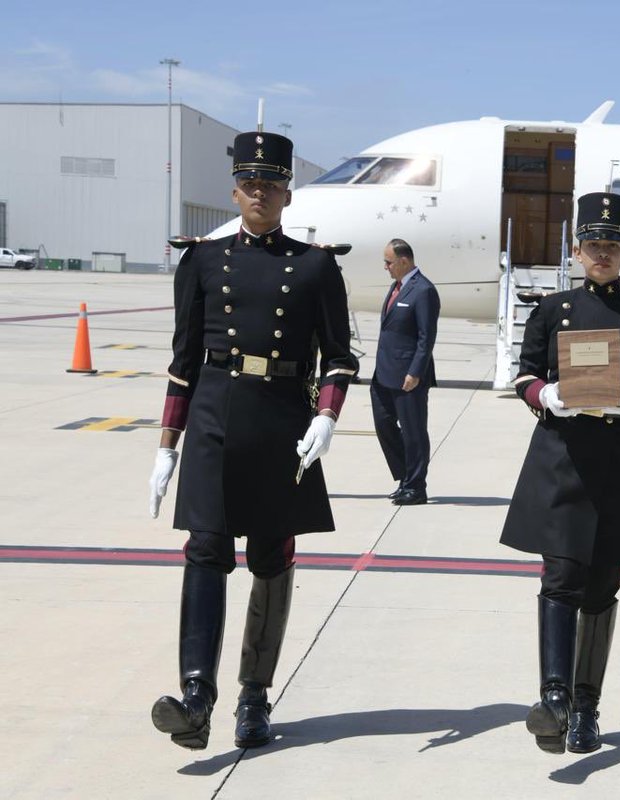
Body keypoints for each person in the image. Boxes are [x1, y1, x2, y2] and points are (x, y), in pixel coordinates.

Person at [146, 130, 358, 750]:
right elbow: (183, 361)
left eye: (272, 184)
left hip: (283, 421)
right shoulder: (203, 261)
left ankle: (254, 698)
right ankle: (194, 695)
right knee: (205, 549)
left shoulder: (316, 265)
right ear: (235, 190)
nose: (260, 193)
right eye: (250, 183)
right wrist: (167, 445)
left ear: (288, 193)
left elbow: (340, 357)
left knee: (270, 559)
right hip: (215, 415)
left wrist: (327, 414)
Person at [500, 191, 620, 755]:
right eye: (593, 245)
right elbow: (523, 375)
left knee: (602, 586)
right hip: (562, 457)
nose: (602, 254)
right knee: (559, 578)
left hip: (619, 462)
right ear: (577, 250)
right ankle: (553, 698)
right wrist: (545, 394)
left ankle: (586, 708)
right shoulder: (552, 310)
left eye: (612, 245)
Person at [370, 238, 440, 505]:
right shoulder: (396, 287)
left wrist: (415, 372)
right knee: (383, 424)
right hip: (384, 372)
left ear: (404, 261)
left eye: (388, 262)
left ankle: (416, 486)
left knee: (414, 432)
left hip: (408, 375)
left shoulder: (424, 291)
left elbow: (426, 337)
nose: (385, 267)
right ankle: (405, 476)